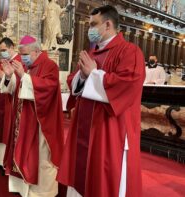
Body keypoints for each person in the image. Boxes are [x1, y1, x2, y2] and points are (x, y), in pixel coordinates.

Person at [56, 5, 145, 197]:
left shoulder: (130, 51)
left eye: (93, 25)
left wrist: (93, 74)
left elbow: (127, 84)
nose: (90, 30)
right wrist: (83, 75)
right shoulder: (92, 52)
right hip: (85, 128)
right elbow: (73, 80)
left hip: (110, 129)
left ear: (108, 24)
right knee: (81, 173)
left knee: (104, 178)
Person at [0, 35, 64, 197]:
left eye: (25, 54)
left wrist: (24, 76)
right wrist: (9, 77)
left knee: (42, 158)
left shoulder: (49, 65)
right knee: (27, 154)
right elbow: (16, 89)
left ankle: (43, 192)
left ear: (36, 51)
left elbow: (48, 89)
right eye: (21, 54)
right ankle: (25, 188)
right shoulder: (28, 67)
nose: (23, 58)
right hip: (25, 121)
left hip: (41, 122)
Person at [0, 37, 22, 167]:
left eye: (4, 50)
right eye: (1, 50)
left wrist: (5, 78)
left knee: (8, 129)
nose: (3, 53)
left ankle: (5, 161)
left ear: (12, 47)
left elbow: (20, 81)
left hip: (11, 102)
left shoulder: (19, 62)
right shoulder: (2, 62)